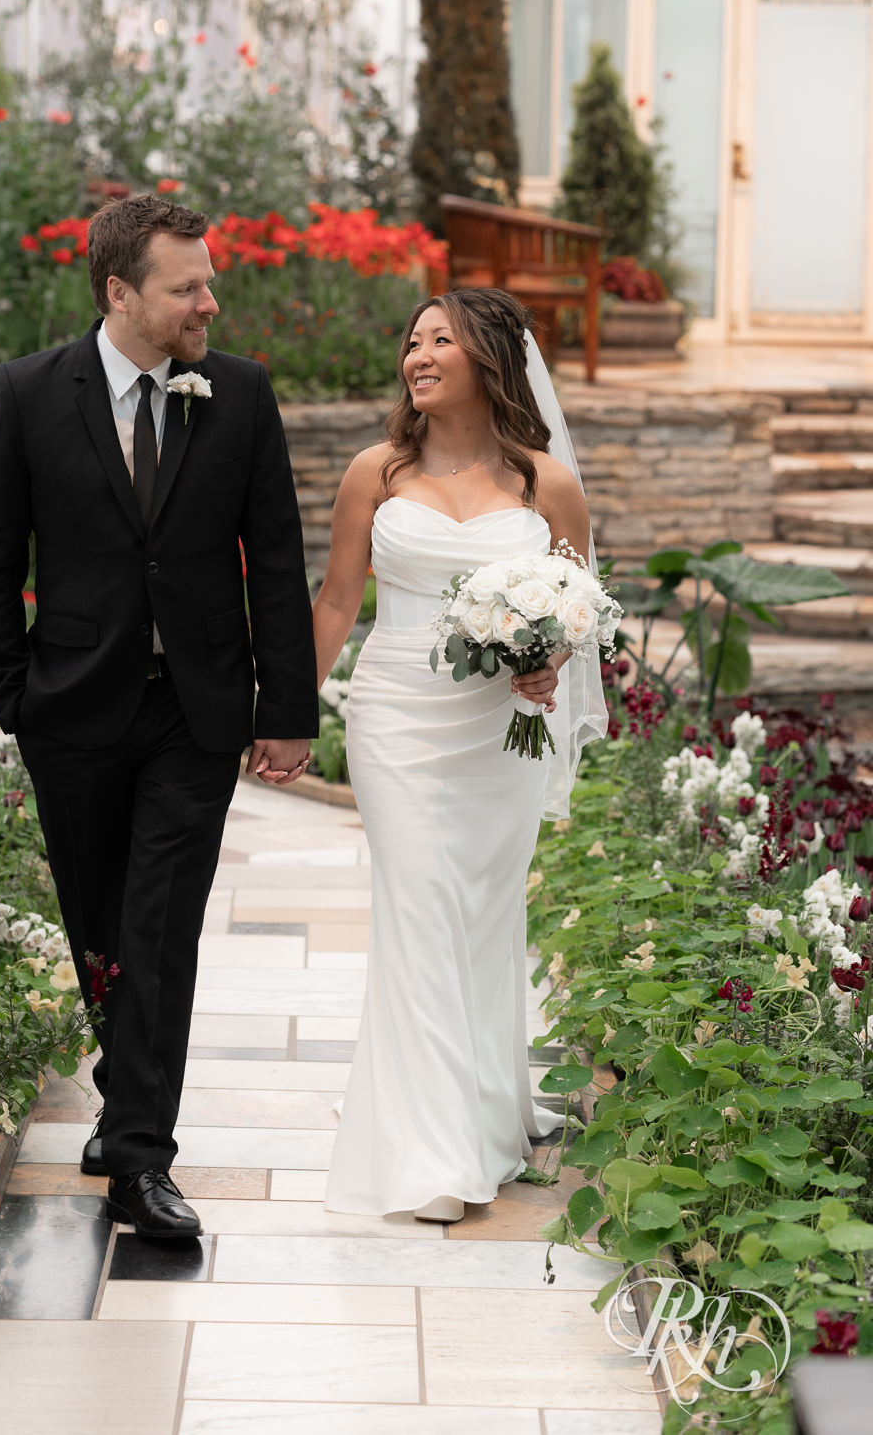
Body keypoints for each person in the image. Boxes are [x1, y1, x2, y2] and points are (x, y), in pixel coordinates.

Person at [0, 194, 318, 1239]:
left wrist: (286, 707)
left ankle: (138, 1162)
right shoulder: (29, 394)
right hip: (71, 708)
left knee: (157, 928)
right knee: (98, 927)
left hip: (194, 713)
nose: (210, 301)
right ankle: (126, 1096)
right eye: (186, 288)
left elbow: (278, 560)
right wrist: (14, 694)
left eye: (208, 281)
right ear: (120, 293)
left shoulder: (241, 396)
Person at [314, 287, 607, 1222]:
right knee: (419, 905)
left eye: (440, 339)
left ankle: (486, 1115)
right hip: (397, 709)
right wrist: (274, 714)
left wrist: (544, 662)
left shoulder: (545, 484)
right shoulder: (375, 472)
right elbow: (334, 603)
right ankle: (435, 1155)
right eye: (412, 341)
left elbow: (578, 611)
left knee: (481, 912)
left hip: (499, 730)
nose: (418, 355)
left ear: (489, 357)